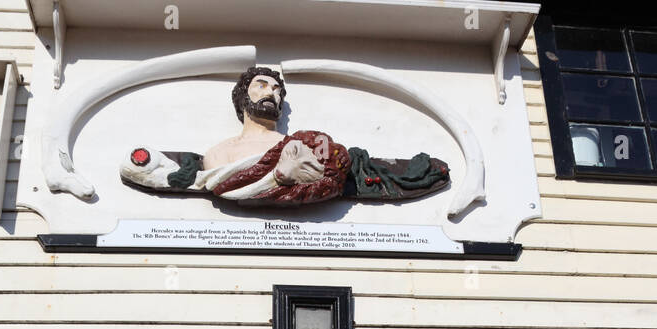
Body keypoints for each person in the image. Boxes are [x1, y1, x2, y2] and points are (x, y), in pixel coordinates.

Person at [120, 65, 450, 207]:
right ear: (242, 98)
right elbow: (221, 183)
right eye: (261, 85)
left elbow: (326, 181)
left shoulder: (301, 146)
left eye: (277, 89)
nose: (272, 93)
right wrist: (279, 177)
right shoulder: (218, 155)